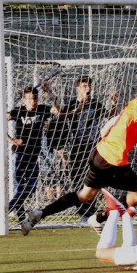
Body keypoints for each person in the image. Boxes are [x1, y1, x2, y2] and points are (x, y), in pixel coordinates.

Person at [21, 79, 137, 235]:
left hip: (99, 153)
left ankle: (40, 214)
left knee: (85, 196)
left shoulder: (135, 103)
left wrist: (104, 135)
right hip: (113, 160)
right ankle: (102, 218)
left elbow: (111, 123)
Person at [48, 76, 119, 222]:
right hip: (76, 147)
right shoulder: (73, 104)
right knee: (77, 181)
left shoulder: (95, 104)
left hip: (93, 147)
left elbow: (109, 116)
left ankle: (92, 211)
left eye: (89, 86)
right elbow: (60, 113)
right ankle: (83, 213)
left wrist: (114, 103)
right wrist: (49, 92)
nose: (88, 89)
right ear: (78, 89)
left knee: (94, 180)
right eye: (85, 86)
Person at [6, 87, 54, 225]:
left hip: (34, 156)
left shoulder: (42, 109)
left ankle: (10, 210)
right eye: (30, 99)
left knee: (29, 188)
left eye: (35, 99)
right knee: (23, 187)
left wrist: (49, 92)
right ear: (24, 100)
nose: (33, 102)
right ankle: (16, 216)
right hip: (21, 155)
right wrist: (12, 140)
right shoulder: (18, 111)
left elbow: (58, 109)